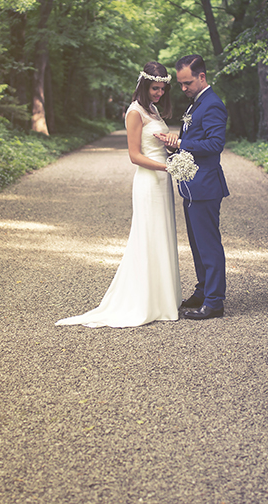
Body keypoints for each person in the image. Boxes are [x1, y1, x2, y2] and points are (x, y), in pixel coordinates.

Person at [56, 62, 181, 328]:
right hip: (149, 181)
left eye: (162, 88)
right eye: (154, 88)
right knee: (147, 236)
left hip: (162, 180)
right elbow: (135, 156)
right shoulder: (135, 112)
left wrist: (169, 145)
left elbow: (155, 144)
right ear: (144, 85)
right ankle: (144, 301)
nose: (159, 93)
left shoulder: (154, 110)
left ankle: (163, 299)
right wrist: (167, 167)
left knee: (163, 234)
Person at [155, 54, 229, 320]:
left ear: (202, 77)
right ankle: (203, 289)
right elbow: (193, 137)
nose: (183, 88)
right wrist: (174, 144)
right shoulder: (196, 104)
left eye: (187, 83)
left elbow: (214, 145)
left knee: (208, 245)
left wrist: (180, 144)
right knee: (197, 244)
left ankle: (214, 302)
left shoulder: (212, 105)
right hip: (192, 186)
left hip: (206, 185)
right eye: (181, 84)